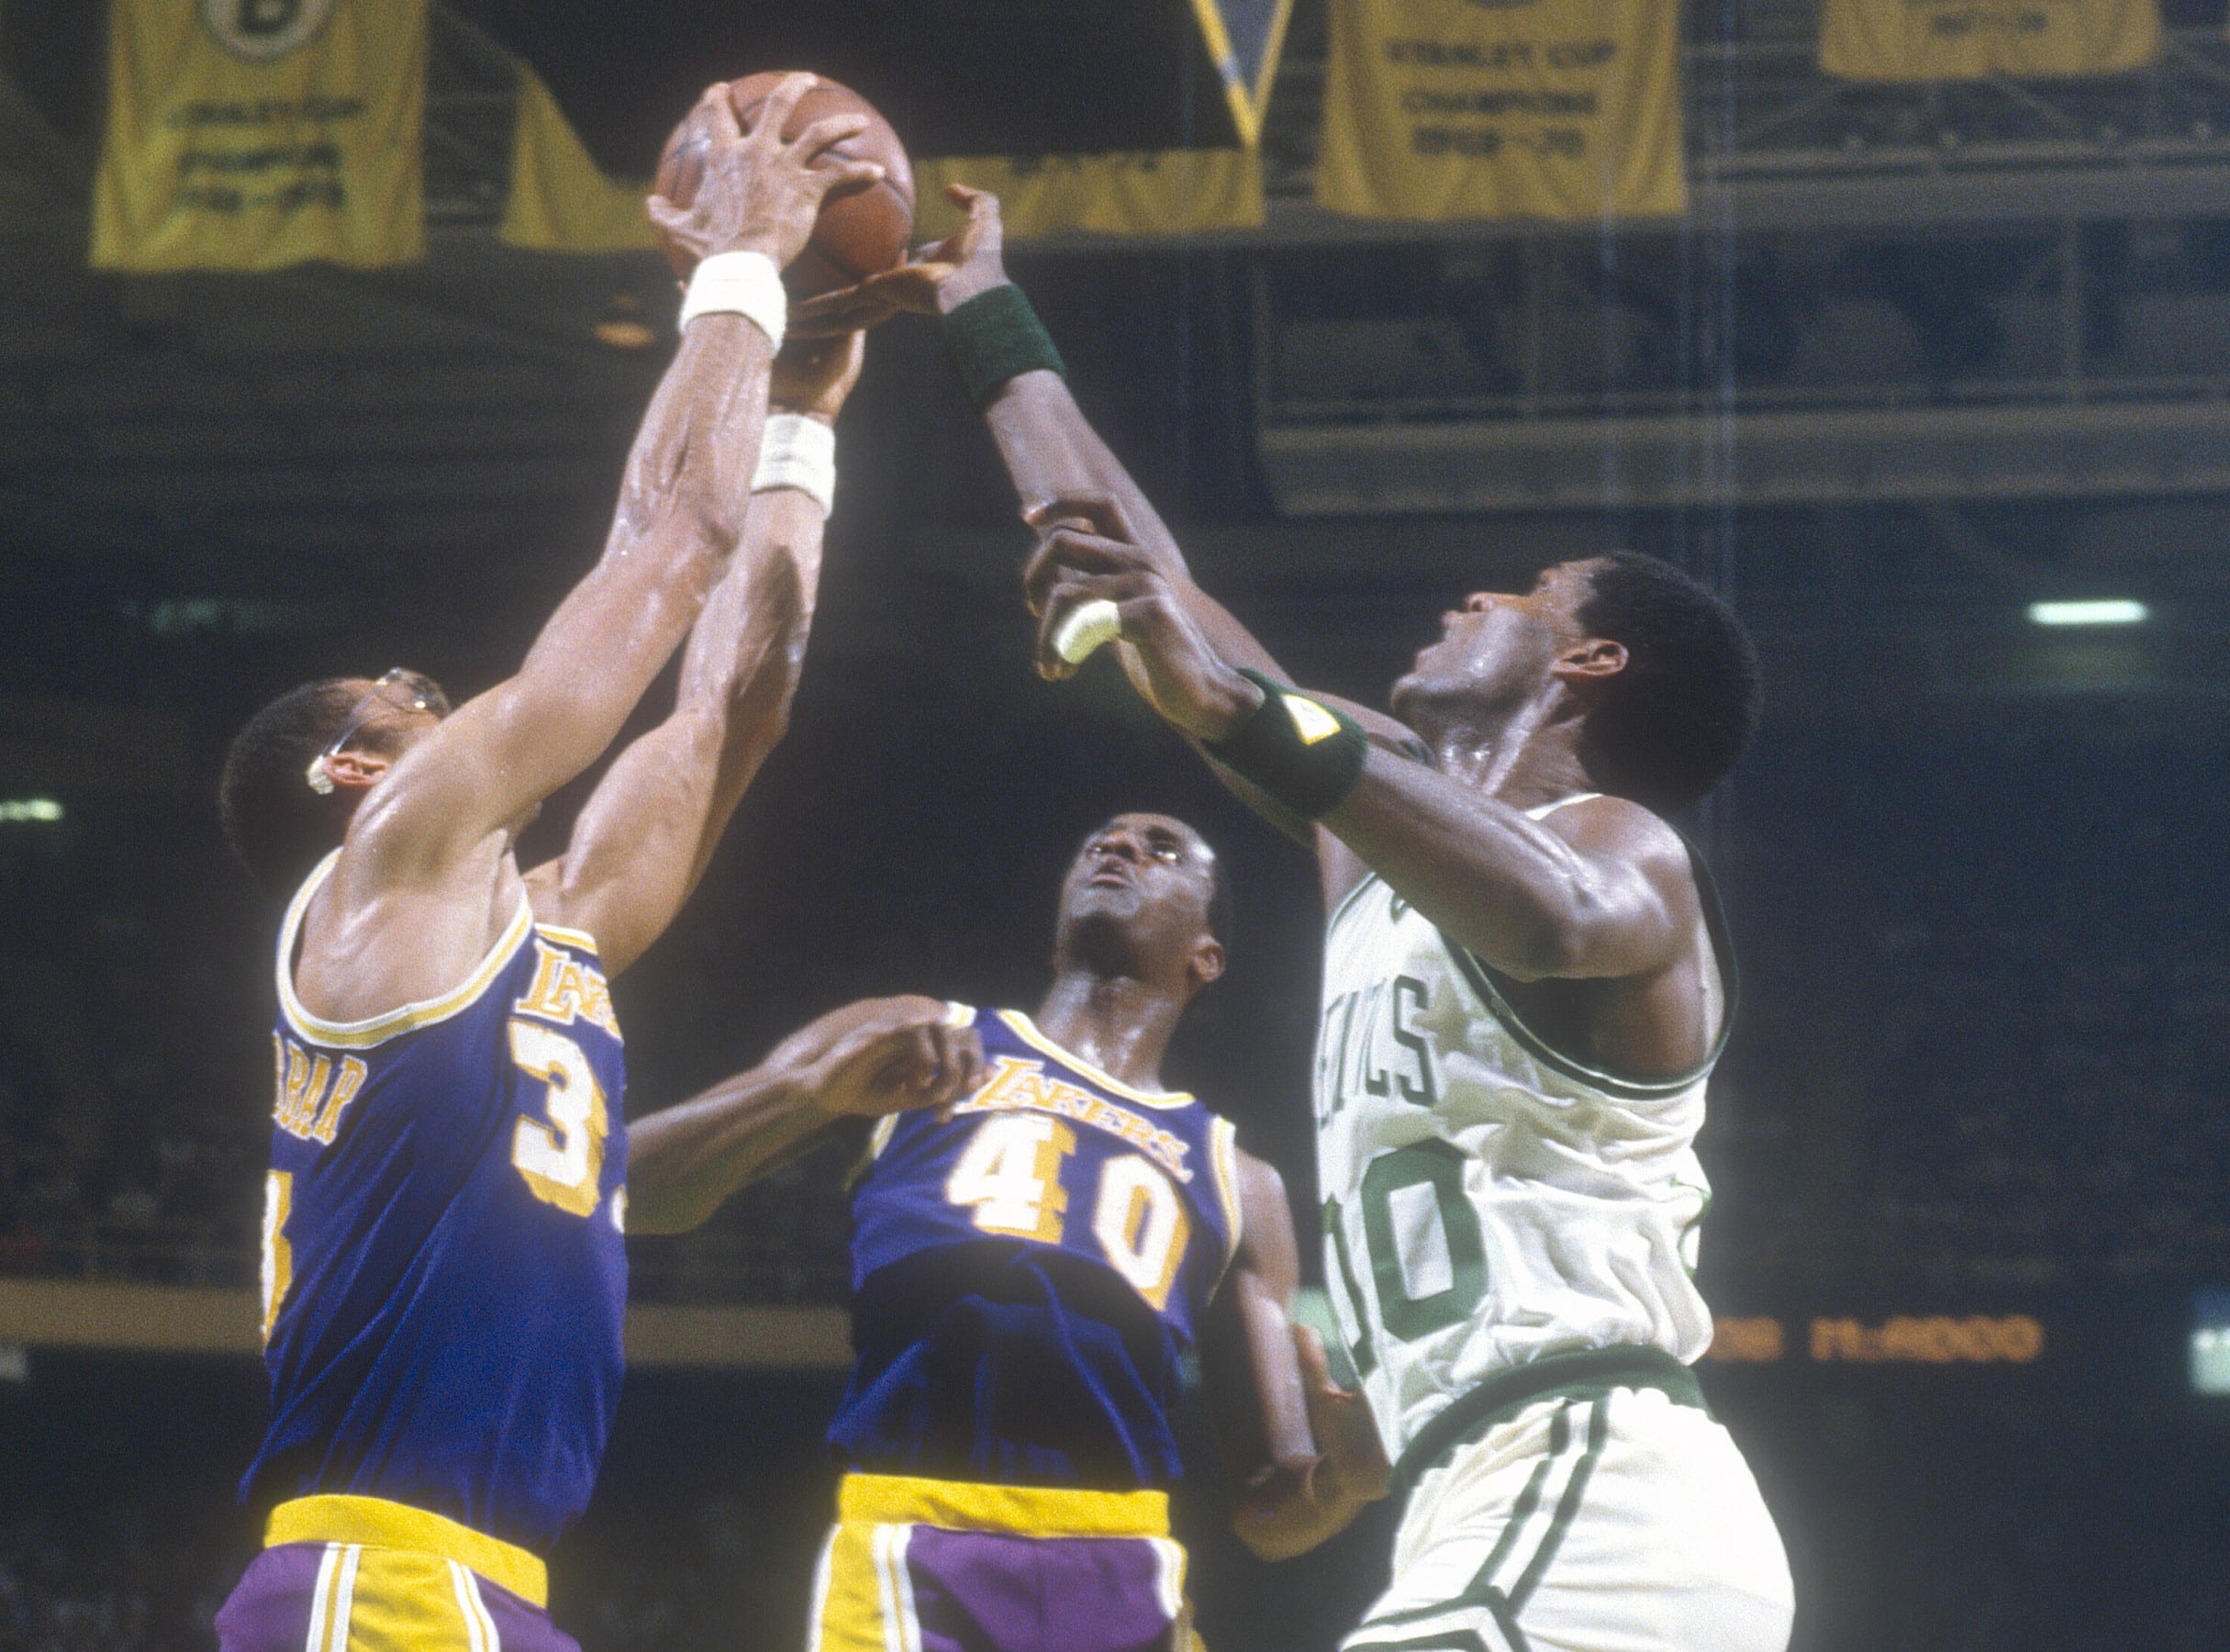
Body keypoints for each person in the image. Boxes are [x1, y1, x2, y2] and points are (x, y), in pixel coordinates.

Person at [807, 190, 1794, 1652]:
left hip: (1599, 1486)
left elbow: (1546, 922)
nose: (1471, 594)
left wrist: (1233, 707)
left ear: (1585, 659)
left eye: (1518, 593)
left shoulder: (1617, 848)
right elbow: (1157, 590)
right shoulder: (1368, 841)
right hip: (1470, 1496)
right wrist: (982, 319)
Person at [207, 78, 966, 1652]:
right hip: (376, 1578)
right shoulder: (377, 881)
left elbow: (736, 702)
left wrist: (807, 430)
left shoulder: (537, 941)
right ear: (356, 773)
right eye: (405, 695)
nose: (443, 697)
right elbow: (659, 552)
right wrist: (743, 270)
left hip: (481, 1582)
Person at [626, 812, 1392, 1652]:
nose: (1119, 847)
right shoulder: (926, 1034)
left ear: (1206, 955)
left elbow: (1270, 1511)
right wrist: (807, 1097)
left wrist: (1345, 1488)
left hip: (1125, 1569)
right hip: (917, 1537)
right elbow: (636, 1187)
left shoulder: (1236, 1175)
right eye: (1100, 840)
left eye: (1163, 849)